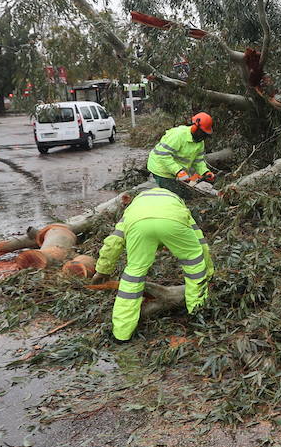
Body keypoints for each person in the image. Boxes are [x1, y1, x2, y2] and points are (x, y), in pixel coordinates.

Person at [91, 187, 213, 341]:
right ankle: (198, 314)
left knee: (134, 274)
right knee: (194, 262)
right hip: (173, 222)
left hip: (139, 226)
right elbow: (201, 243)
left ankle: (121, 334)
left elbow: (113, 243)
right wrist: (208, 272)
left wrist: (102, 270)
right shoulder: (177, 205)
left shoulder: (132, 210)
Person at [147, 112, 216, 198]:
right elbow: (162, 155)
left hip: (174, 171)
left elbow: (198, 161)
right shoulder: (178, 135)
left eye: (205, 135)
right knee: (175, 196)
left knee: (186, 193)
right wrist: (178, 171)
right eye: (202, 133)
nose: (203, 137)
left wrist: (205, 172)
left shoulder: (200, 142)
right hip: (161, 169)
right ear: (195, 126)